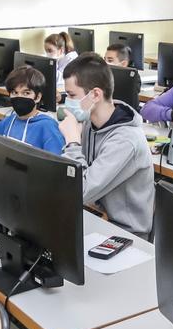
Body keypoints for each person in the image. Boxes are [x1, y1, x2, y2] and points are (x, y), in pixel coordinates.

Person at [58, 54, 155, 237]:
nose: (66, 102)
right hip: (94, 217)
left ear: (95, 94)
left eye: (71, 95)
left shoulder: (125, 141)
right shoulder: (88, 124)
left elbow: (80, 191)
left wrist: (72, 142)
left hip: (126, 233)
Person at [0, 65, 64, 154]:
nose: (19, 97)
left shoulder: (48, 127)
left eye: (26, 93)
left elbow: (56, 163)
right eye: (14, 92)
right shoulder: (9, 121)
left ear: (38, 97)